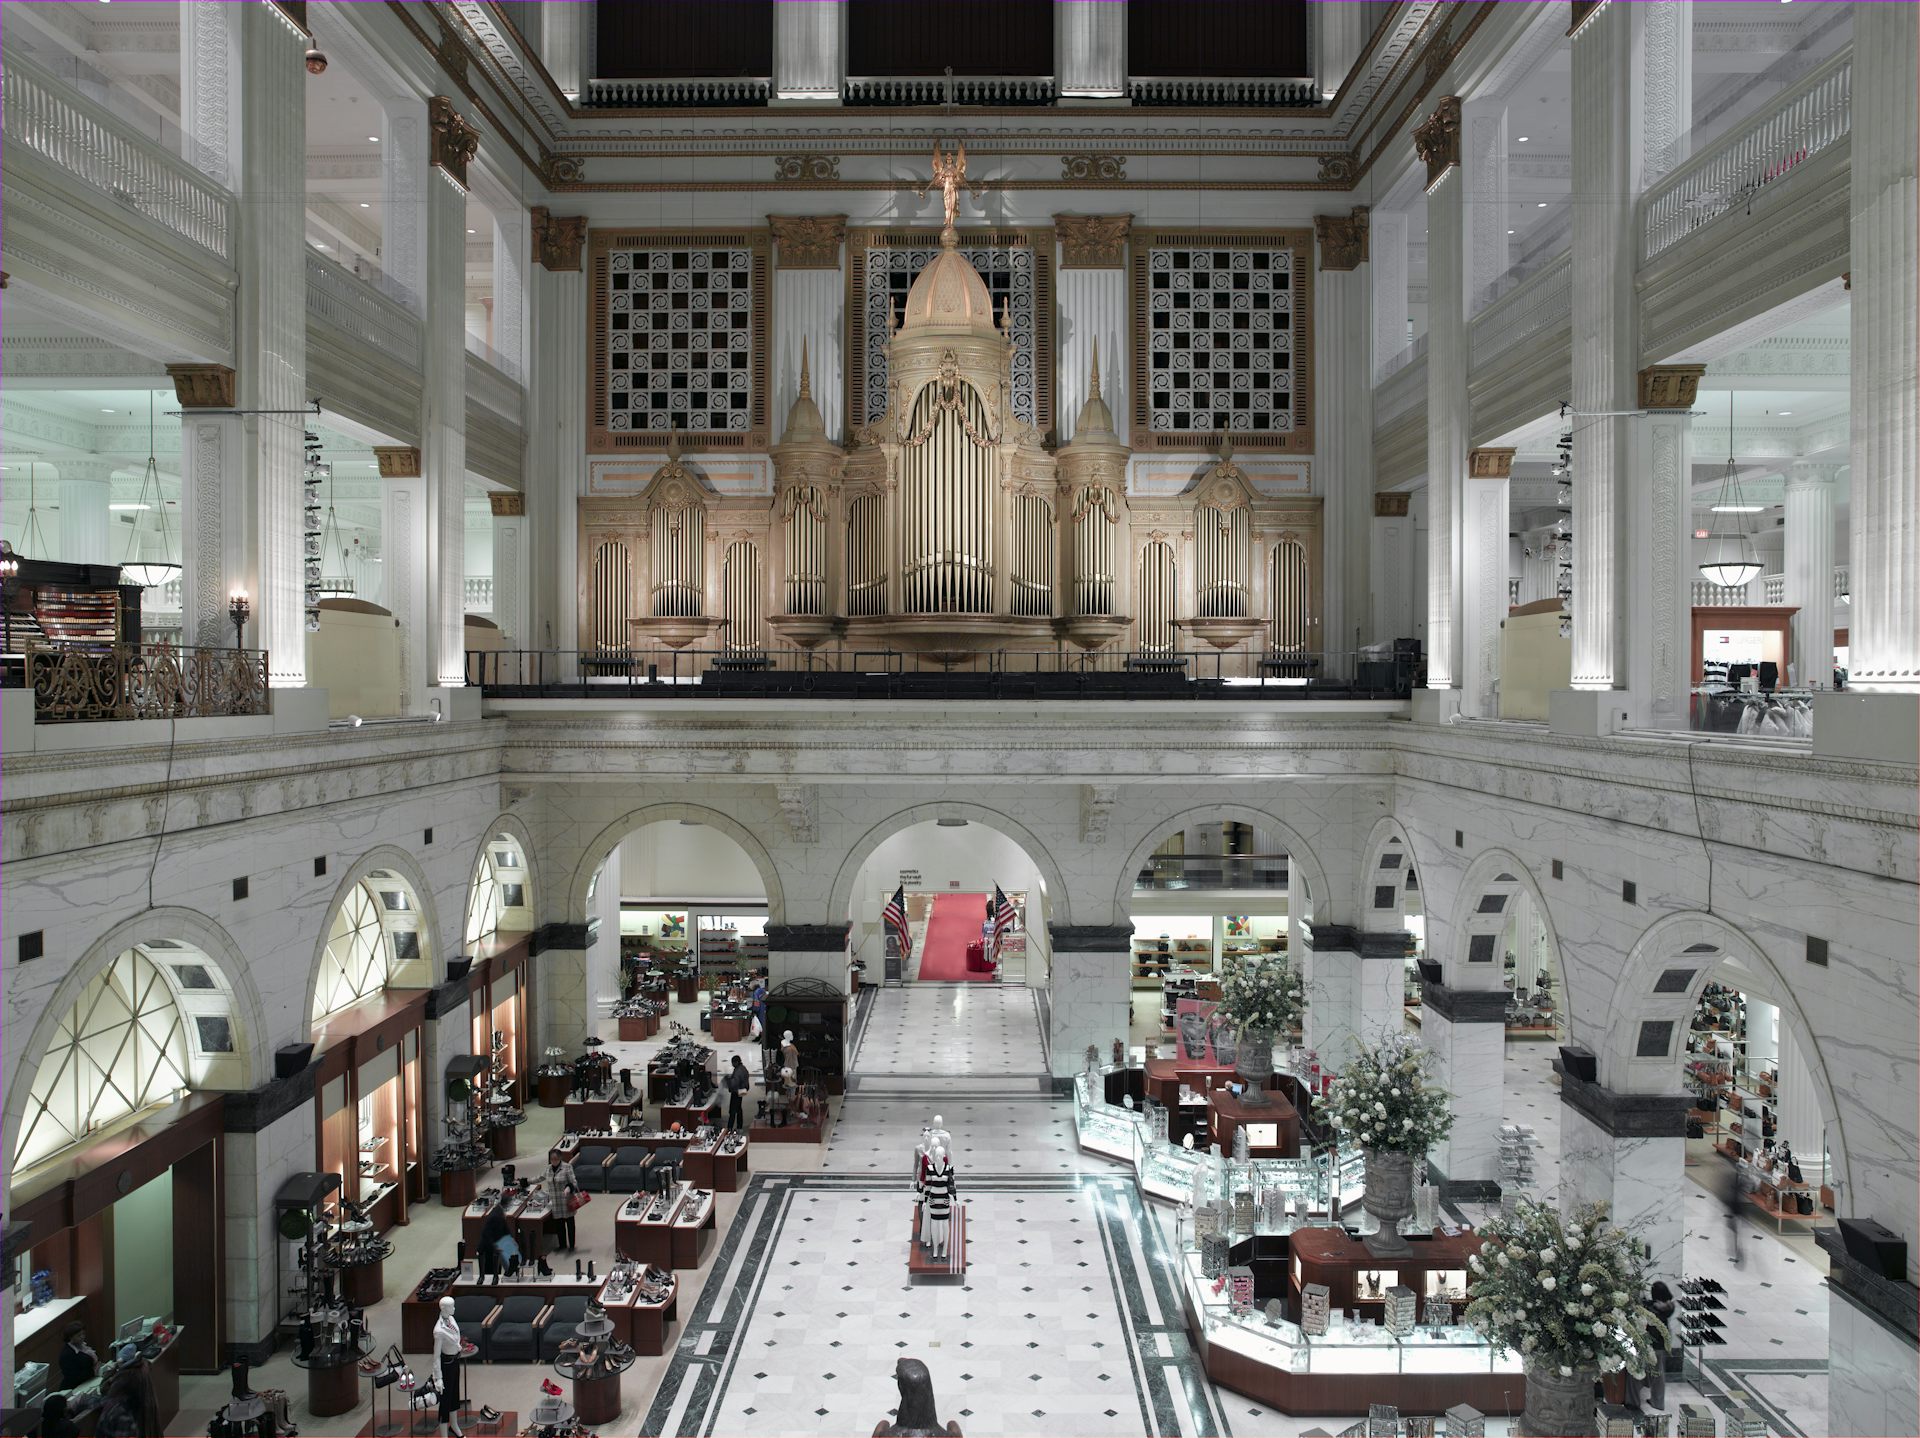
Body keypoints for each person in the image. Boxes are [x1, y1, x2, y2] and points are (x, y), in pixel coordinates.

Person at [1639, 1280, 1675, 1412]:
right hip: (1662, 1344)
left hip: (1656, 1345)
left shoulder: (1656, 1311)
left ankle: (1658, 1402)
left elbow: (1649, 1310)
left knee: (1658, 1375)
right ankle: (1656, 1399)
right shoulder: (1668, 1307)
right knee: (1657, 1373)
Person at [432, 1296, 465, 1438]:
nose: (454, 1308)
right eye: (452, 1306)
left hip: (455, 1361)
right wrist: (438, 1377)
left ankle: (455, 1425)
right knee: (445, 1400)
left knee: (454, 1395)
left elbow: (455, 1335)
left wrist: (457, 1346)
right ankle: (444, 1434)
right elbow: (436, 1356)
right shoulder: (439, 1330)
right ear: (444, 1308)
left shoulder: (451, 1319)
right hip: (446, 1364)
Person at [544, 1156, 580, 1252]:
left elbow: (574, 1182)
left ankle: (572, 1245)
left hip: (566, 1201)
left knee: (570, 1224)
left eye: (555, 1159)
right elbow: (540, 1177)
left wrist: (568, 1187)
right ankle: (562, 1245)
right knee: (559, 1225)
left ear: (560, 1158)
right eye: (552, 1159)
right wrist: (527, 1181)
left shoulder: (567, 1167)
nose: (553, 1161)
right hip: (556, 1201)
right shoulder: (548, 1169)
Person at [56, 1321, 97, 1390]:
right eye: (79, 1335)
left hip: (88, 1381)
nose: (82, 1337)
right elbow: (73, 1377)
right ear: (70, 1337)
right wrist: (94, 1371)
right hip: (74, 1387)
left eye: (83, 1334)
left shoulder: (83, 1346)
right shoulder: (66, 1355)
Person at [478, 1204, 515, 1277]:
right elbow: (486, 1234)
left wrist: (511, 1240)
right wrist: (495, 1246)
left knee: (497, 1266)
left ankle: (498, 1277)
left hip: (494, 1248)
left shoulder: (499, 1215)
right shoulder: (495, 1218)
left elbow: (506, 1230)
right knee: (489, 1271)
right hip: (487, 1249)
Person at [725, 1054, 751, 1130]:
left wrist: (728, 1080)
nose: (732, 1064)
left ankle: (729, 1128)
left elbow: (734, 1083)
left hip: (736, 1092)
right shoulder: (743, 1068)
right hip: (742, 1091)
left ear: (736, 1062)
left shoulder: (737, 1071)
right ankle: (739, 1127)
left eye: (733, 1062)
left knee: (732, 1111)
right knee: (739, 1109)